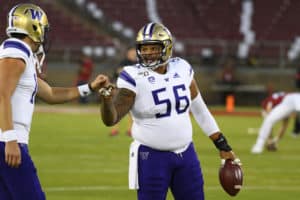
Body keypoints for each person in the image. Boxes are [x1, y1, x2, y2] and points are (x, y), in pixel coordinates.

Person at [98, 22, 241, 200]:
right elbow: (111, 119)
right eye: (145, 48)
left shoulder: (182, 68)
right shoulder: (132, 76)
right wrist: (106, 101)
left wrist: (222, 144)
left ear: (167, 48)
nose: (148, 53)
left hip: (187, 155)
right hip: (151, 157)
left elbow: (199, 109)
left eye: (153, 48)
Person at [0, 4, 108, 199]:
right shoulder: (16, 51)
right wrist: (9, 138)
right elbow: (1, 94)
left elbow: (50, 94)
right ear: (34, 27)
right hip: (6, 141)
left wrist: (90, 87)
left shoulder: (21, 55)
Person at [110, 47, 136, 136]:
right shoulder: (124, 62)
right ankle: (115, 129)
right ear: (128, 53)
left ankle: (130, 130)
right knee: (117, 109)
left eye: (134, 52)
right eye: (132, 52)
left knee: (132, 112)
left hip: (133, 90)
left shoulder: (138, 63)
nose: (133, 54)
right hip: (121, 89)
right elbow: (117, 72)